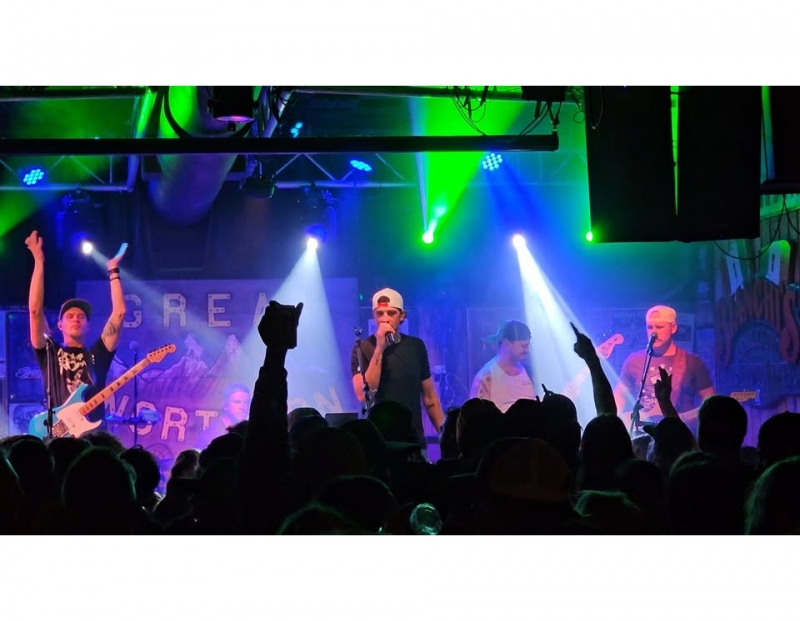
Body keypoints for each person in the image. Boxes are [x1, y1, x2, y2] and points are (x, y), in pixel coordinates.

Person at [25, 230, 128, 431]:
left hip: (93, 435)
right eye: (70, 316)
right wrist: (38, 260)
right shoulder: (50, 352)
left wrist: (113, 270)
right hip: (59, 433)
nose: (76, 319)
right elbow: (35, 311)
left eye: (81, 317)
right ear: (60, 325)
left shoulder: (98, 354)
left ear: (88, 325)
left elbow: (119, 313)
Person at [350, 287, 444, 447]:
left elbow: (430, 398)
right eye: (380, 313)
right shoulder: (362, 348)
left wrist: (444, 433)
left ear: (402, 316)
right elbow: (364, 395)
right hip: (379, 440)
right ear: (373, 316)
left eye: (391, 313)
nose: (385, 319)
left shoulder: (415, 346)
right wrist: (380, 348)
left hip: (412, 438)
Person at [614, 305, 715, 429]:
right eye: (650, 327)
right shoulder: (634, 360)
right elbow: (619, 396)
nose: (653, 332)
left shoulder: (692, 362)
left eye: (659, 327)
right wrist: (619, 419)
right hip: (641, 434)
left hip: (679, 433)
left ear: (673, 327)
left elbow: (710, 402)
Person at [469, 320, 536, 412]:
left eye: (528, 346)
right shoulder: (486, 377)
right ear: (507, 343)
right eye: (523, 346)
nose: (527, 350)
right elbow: (475, 416)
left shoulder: (529, 372)